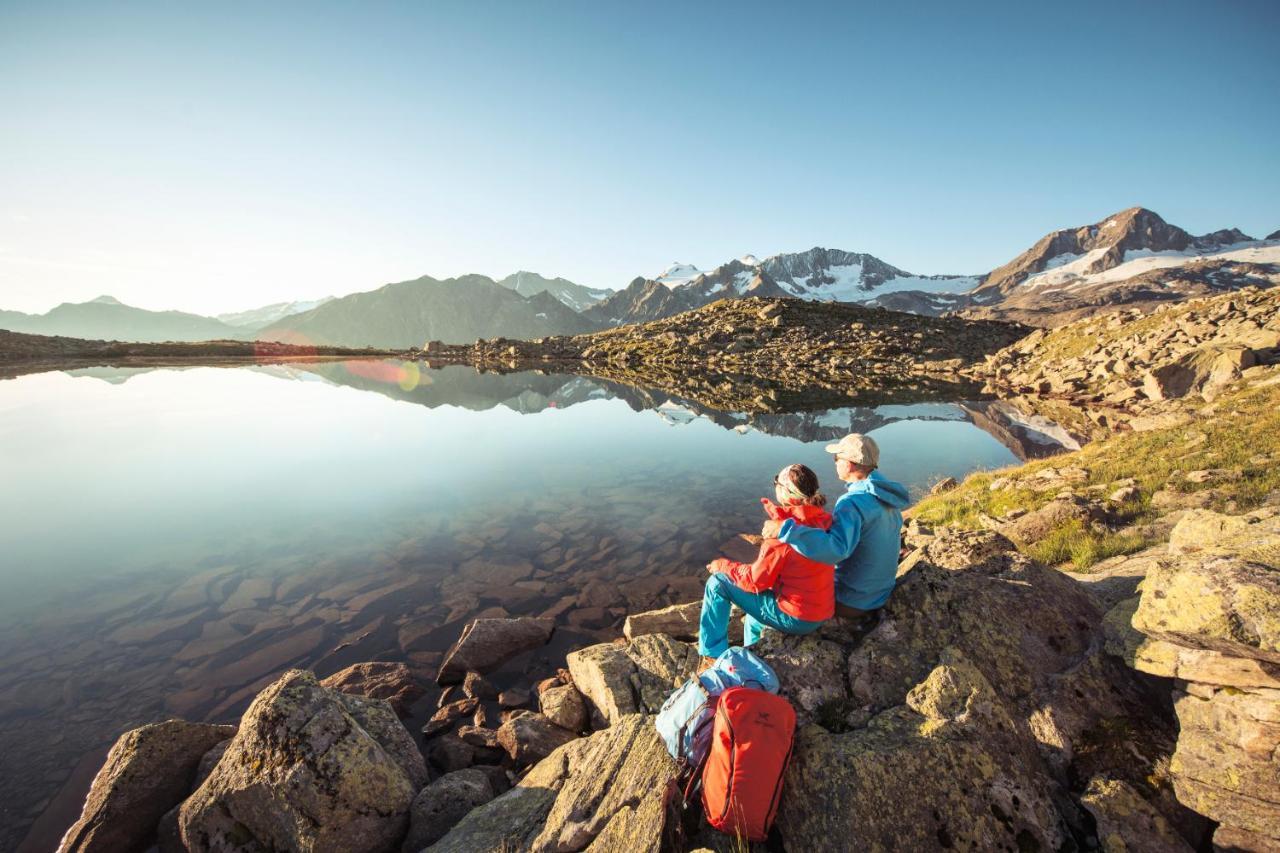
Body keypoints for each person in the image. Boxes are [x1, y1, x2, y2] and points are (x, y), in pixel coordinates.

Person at [697, 464, 837, 669]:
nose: (775, 486)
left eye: (777, 482)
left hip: (796, 617)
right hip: (820, 611)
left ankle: (711, 655)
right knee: (754, 620)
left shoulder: (781, 536)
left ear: (786, 493)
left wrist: (723, 565)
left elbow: (754, 582)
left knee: (717, 583)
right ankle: (753, 654)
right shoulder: (823, 520)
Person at [763, 434, 908, 623]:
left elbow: (835, 550)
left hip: (852, 600)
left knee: (782, 585)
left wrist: (785, 529)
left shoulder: (852, 502)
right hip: (878, 593)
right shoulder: (886, 495)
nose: (835, 463)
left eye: (836, 458)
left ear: (849, 464)